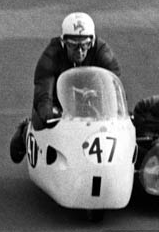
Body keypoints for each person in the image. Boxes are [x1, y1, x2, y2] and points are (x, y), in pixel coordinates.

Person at [10, 11, 121, 163]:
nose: (80, 50)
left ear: (92, 42)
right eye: (73, 45)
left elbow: (114, 86)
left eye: (85, 44)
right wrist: (47, 114)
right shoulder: (51, 56)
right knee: (46, 121)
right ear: (63, 43)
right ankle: (25, 131)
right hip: (60, 100)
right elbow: (43, 93)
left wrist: (116, 111)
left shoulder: (103, 53)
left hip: (92, 96)